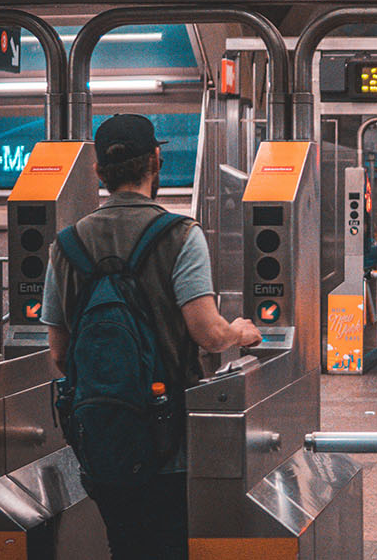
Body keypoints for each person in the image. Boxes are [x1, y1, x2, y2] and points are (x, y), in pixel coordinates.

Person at [42, 114, 261, 560]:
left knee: (124, 544)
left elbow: (60, 354)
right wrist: (238, 331)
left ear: (99, 172)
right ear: (155, 162)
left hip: (98, 439)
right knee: (169, 543)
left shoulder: (66, 245)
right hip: (166, 438)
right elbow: (208, 333)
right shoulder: (180, 235)